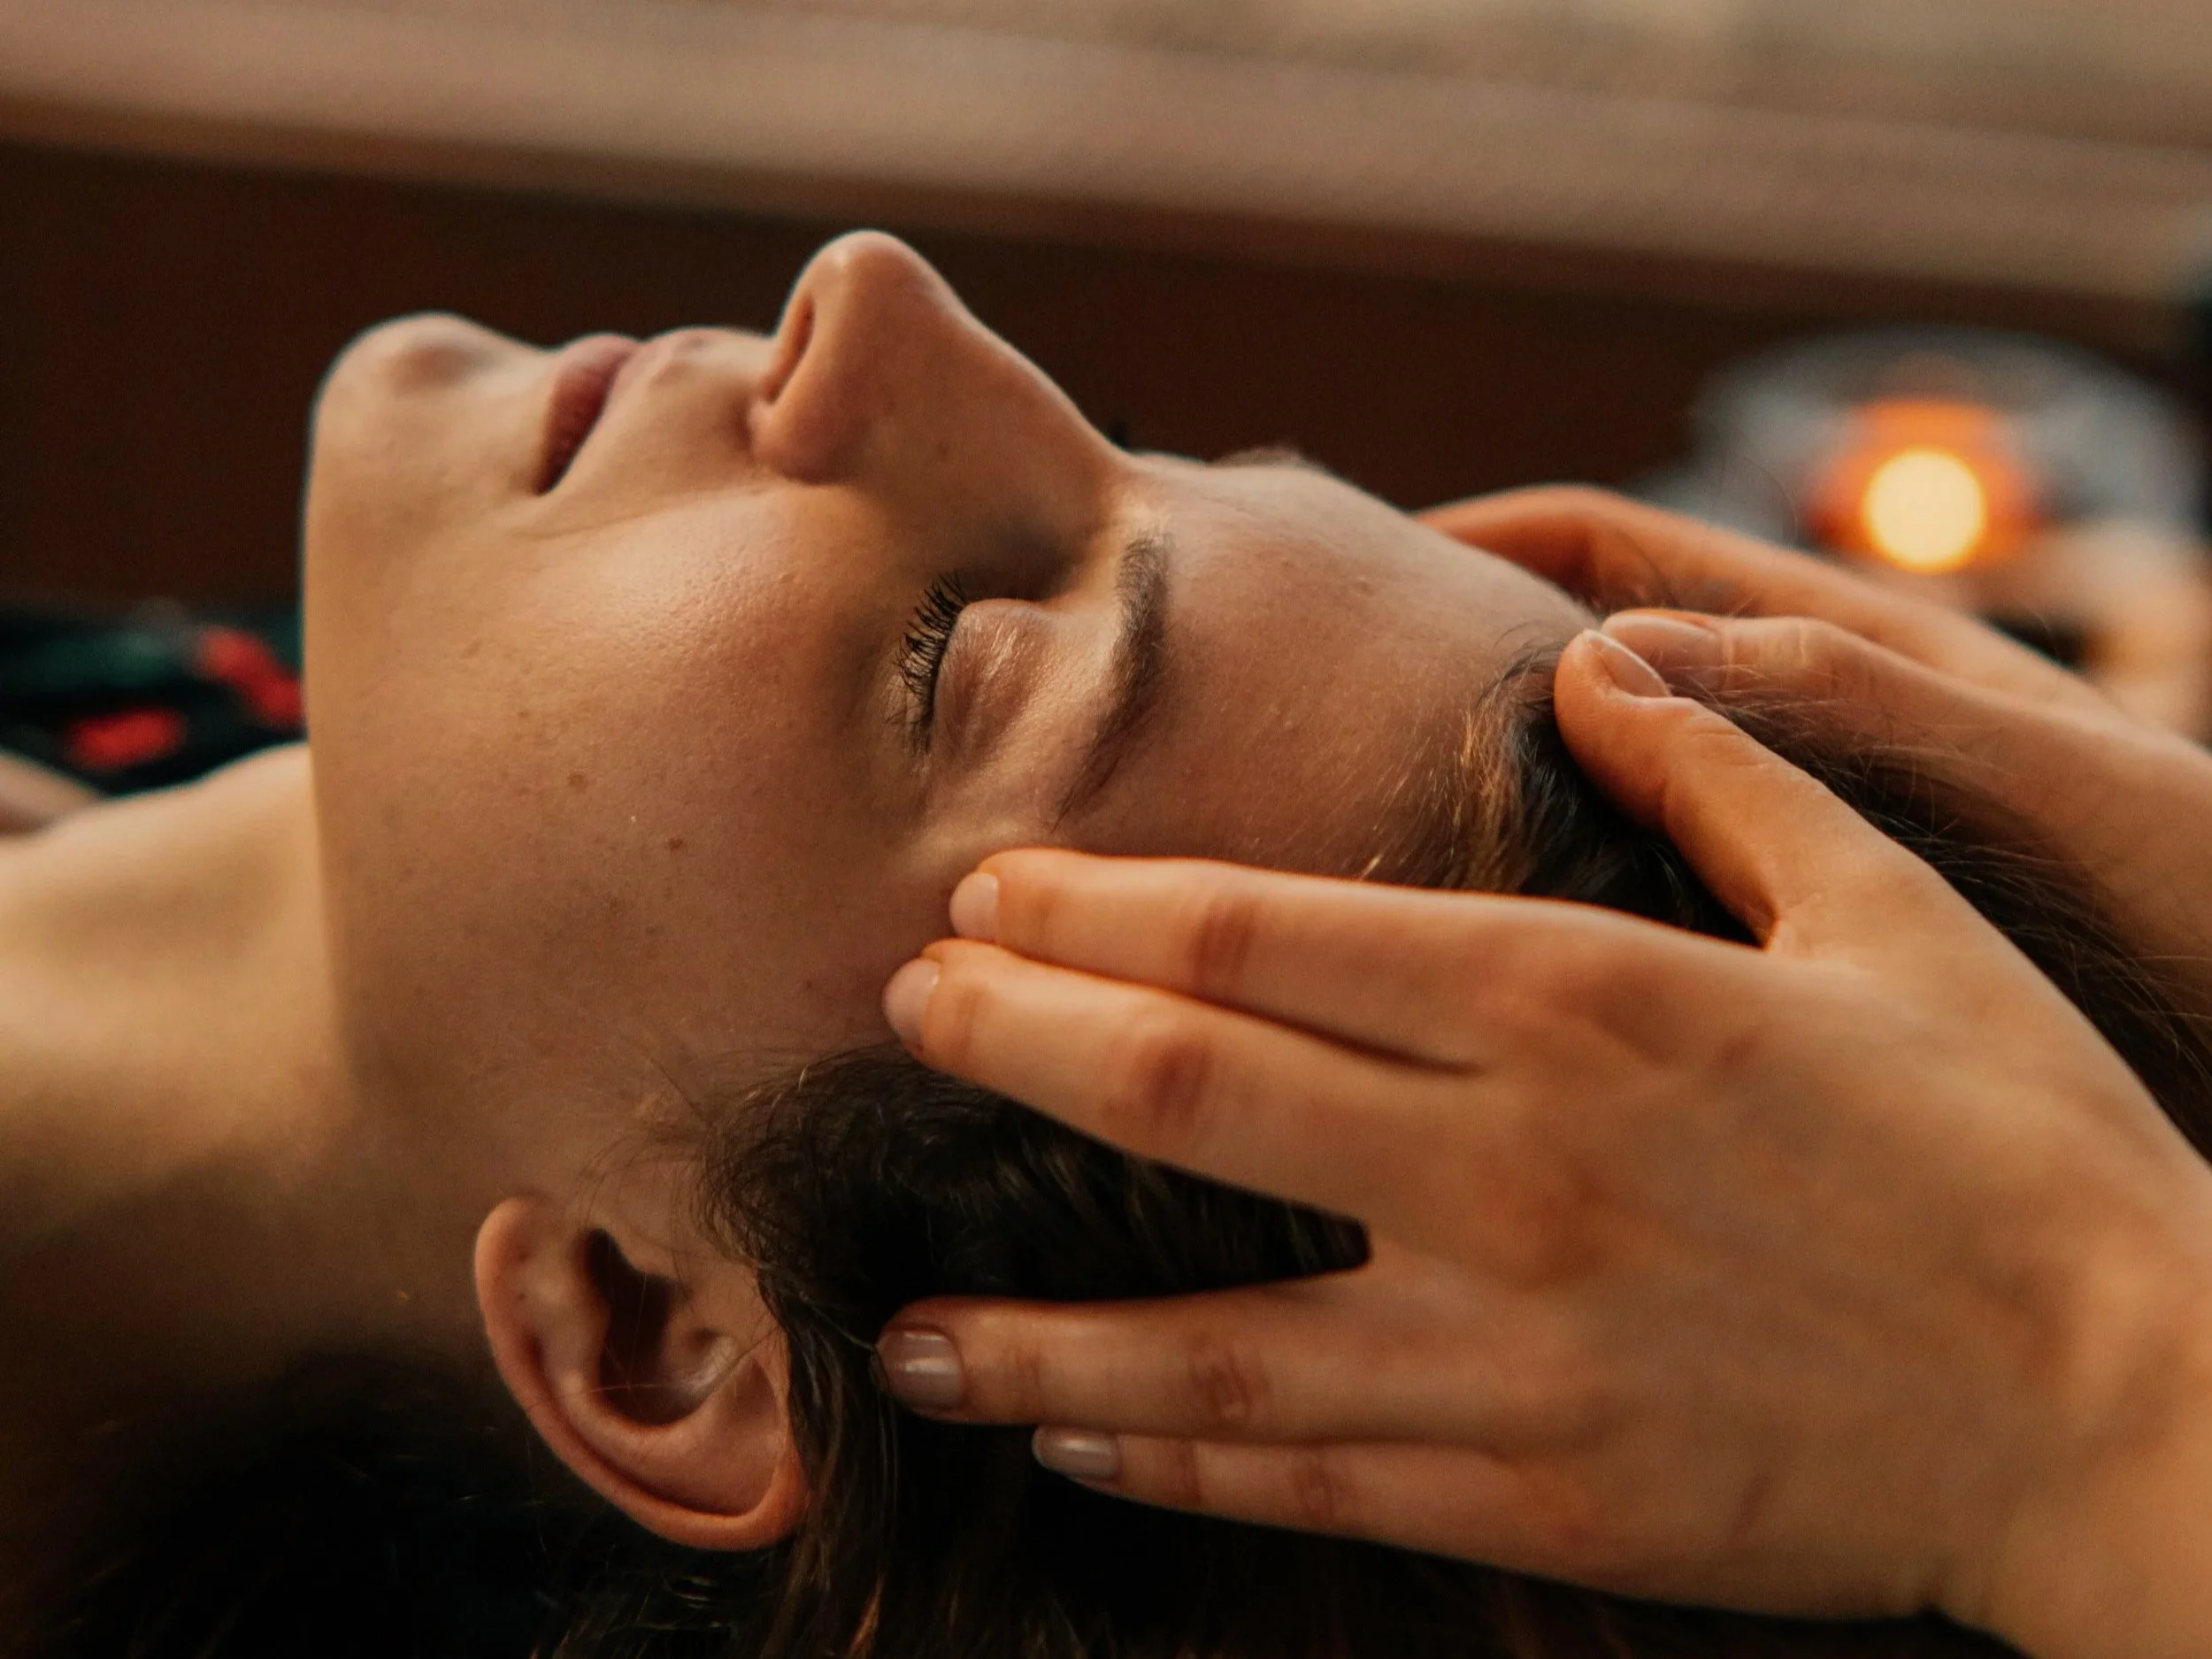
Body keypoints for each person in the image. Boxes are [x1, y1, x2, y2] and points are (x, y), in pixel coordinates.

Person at [0, 227, 2201, 1658]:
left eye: (952, 648)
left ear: (659, 1333)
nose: (879, 302)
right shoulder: (345, 746)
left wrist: (2108, 1391)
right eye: (1142, 453)